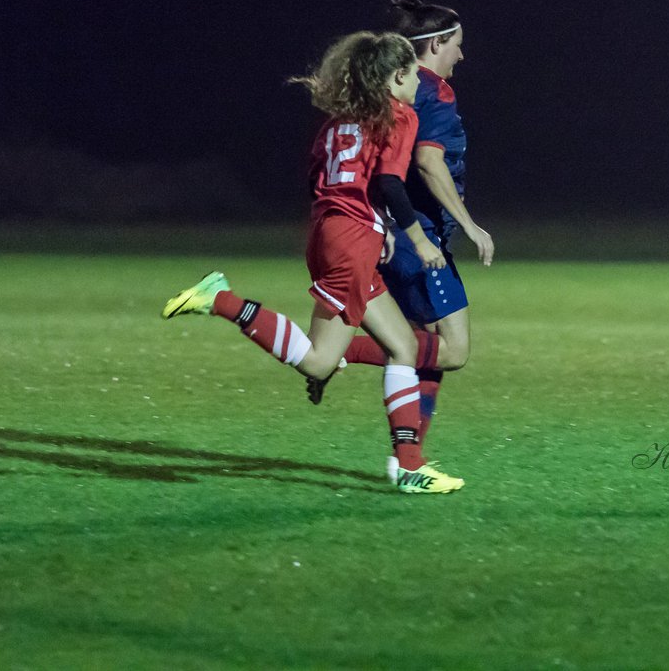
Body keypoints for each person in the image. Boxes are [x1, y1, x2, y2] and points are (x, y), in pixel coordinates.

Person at [161, 30, 464, 494]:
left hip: (331, 232)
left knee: (403, 346)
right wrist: (416, 239)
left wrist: (371, 230)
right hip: (351, 240)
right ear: (398, 76)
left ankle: (410, 466)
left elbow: (324, 182)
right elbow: (389, 182)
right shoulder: (397, 115)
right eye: (412, 79)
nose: (416, 88)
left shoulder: (336, 123)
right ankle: (220, 300)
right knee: (320, 361)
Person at [308, 0, 493, 483]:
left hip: (386, 234)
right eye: (456, 44)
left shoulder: (392, 94)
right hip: (417, 238)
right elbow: (428, 163)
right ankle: (337, 354)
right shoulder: (432, 92)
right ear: (433, 45)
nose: (461, 54)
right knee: (451, 350)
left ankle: (408, 460)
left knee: (420, 346)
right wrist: (469, 224)